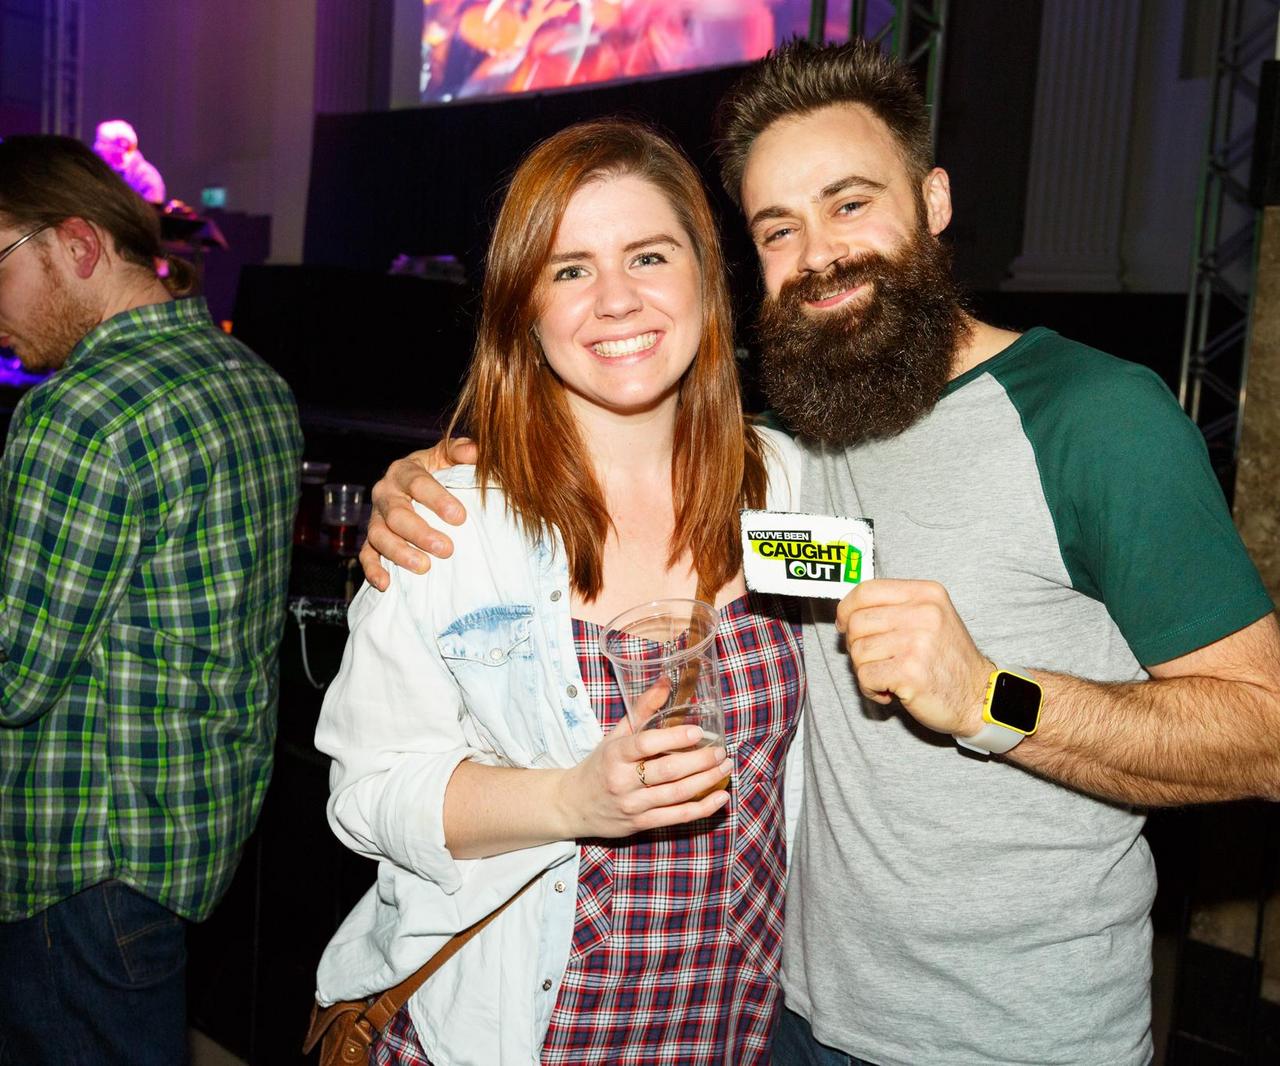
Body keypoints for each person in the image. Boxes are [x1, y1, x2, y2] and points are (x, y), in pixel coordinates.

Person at [362, 42, 1280, 1066]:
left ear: (933, 200)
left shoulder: (1096, 419)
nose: (820, 255)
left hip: (1014, 1040)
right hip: (789, 1019)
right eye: (780, 228)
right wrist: (440, 474)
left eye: (851, 204)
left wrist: (991, 697)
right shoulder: (790, 443)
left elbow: (1273, 742)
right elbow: (615, 422)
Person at [311, 119, 804, 1065]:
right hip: (513, 1034)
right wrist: (571, 801)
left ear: (706, 278)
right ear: (523, 310)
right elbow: (367, 795)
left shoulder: (789, 483)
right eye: (569, 269)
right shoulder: (451, 523)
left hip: (736, 1031)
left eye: (648, 256)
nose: (616, 299)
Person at [0, 135, 301, 1064]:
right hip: (185, 838)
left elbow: (12, 677)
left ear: (77, 245)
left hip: (76, 861)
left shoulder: (78, 412)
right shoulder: (255, 381)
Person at [92, 119, 167, 205]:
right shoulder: (103, 170)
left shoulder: (147, 179)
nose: (97, 147)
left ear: (122, 146)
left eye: (103, 142)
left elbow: (151, 211)